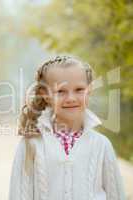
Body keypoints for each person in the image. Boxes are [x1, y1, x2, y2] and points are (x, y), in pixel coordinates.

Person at [9, 55, 126, 200]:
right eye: (61, 91)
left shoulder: (101, 144)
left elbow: (116, 194)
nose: (71, 98)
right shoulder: (32, 144)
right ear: (45, 95)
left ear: (89, 90)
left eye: (79, 89)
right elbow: (19, 193)